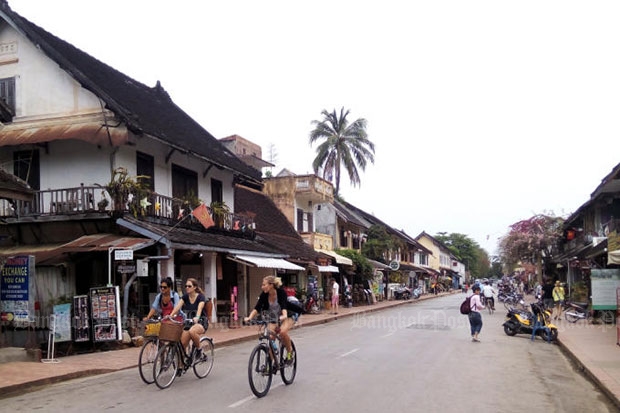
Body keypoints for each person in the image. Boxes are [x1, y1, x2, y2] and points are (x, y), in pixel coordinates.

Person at [244, 276, 296, 363]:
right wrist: (249, 317)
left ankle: (290, 352)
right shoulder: (264, 295)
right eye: (262, 285)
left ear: (271, 285)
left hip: (287, 316)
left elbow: (283, 306)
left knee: (282, 332)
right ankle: (270, 364)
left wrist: (284, 315)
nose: (262, 287)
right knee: (270, 338)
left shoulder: (281, 292)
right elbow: (257, 307)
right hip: (274, 318)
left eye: (264, 285)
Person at [170, 277, 207, 359]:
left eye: (189, 286)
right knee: (182, 345)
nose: (187, 288)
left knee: (192, 331)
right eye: (186, 286)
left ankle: (199, 350)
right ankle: (180, 368)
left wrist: (197, 317)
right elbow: (177, 307)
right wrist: (171, 315)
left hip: (200, 321)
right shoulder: (185, 297)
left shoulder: (201, 297)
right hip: (189, 322)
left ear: (195, 287)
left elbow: (200, 308)